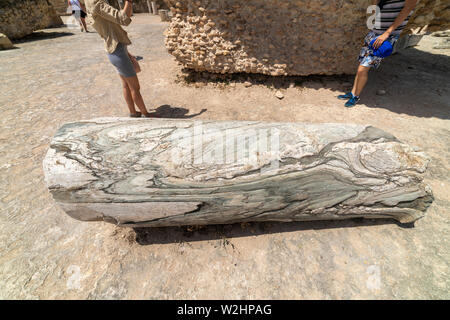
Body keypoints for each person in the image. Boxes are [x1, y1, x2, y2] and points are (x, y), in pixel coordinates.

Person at [338, 0, 418, 108]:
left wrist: (387, 33)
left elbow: (407, 10)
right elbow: (374, 7)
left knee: (363, 68)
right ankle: (352, 93)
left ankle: (356, 96)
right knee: (361, 66)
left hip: (386, 38)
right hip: (374, 34)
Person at [85, 0, 151, 117]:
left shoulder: (90, 4)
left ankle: (133, 112)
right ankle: (147, 115)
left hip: (115, 50)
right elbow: (123, 19)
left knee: (126, 85)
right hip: (118, 51)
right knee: (135, 88)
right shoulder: (98, 4)